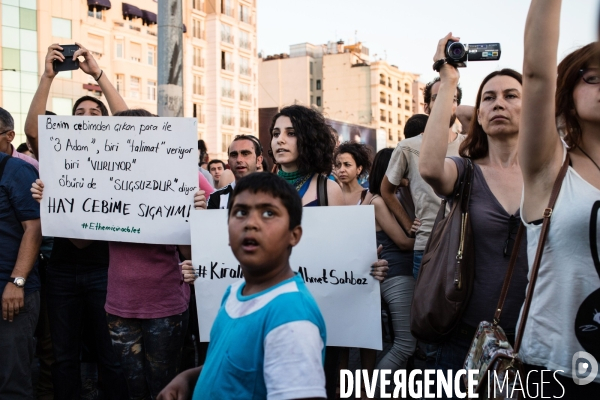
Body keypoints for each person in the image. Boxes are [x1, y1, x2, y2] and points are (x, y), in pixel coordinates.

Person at [418, 33, 529, 396]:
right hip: (467, 340)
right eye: (489, 98)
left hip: (535, 344)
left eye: (511, 95)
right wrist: (448, 78)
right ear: (478, 114)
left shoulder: (552, 175)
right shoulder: (465, 172)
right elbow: (431, 167)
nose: (499, 103)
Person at [159, 173, 327, 400]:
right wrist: (188, 379)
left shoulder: (291, 318)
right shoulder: (233, 293)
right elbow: (229, 365)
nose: (251, 223)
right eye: (240, 212)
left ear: (294, 235)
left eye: (269, 213)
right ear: (227, 231)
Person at [25, 43, 129, 400]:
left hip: (105, 268)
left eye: (94, 111)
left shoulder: (119, 149)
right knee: (64, 358)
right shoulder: (59, 151)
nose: (86, 114)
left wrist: (97, 75)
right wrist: (48, 76)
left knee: (110, 356)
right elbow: (33, 129)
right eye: (79, 111)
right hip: (62, 271)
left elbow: (131, 124)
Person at [519, 0, 600, 395]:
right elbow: (535, 75)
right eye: (594, 78)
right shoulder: (549, 167)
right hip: (554, 369)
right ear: (567, 91)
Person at [382, 77, 468, 280]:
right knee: (426, 310)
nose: (446, 102)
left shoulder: (469, 145)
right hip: (427, 244)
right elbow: (386, 190)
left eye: (452, 98)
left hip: (465, 243)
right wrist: (407, 223)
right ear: (427, 106)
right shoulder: (407, 146)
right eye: (438, 98)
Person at [362, 148, 418, 395]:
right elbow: (404, 242)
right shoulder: (377, 201)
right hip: (396, 275)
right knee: (405, 345)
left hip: (394, 274)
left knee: (401, 343)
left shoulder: (374, 198)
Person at [0, 108, 42, 399]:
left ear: (9, 136)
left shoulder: (16, 170)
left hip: (11, 294)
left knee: (12, 382)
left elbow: (34, 229)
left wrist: (17, 282)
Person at [269, 104, 344, 207]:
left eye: (291, 133)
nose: (280, 140)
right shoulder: (258, 189)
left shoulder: (329, 190)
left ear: (309, 139)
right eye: (276, 134)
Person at [204, 134, 264, 210]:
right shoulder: (217, 199)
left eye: (245, 154)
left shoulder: (274, 194)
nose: (239, 160)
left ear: (258, 160)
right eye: (234, 155)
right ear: (229, 162)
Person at [334, 141, 371, 205]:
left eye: (347, 165)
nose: (341, 170)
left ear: (359, 169)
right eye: (338, 165)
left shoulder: (369, 196)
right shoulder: (331, 196)